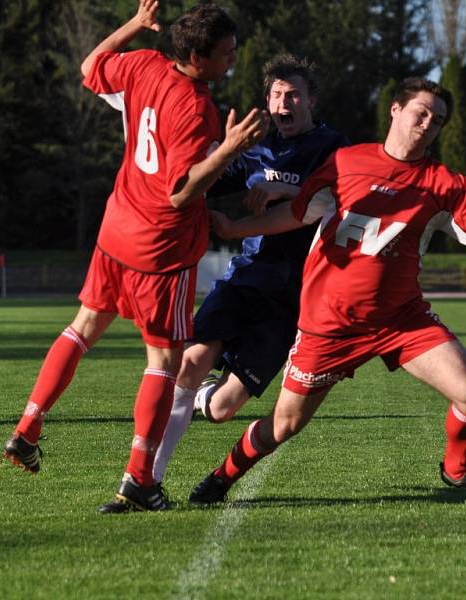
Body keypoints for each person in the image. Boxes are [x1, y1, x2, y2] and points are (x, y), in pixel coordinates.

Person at [189, 77, 466, 506]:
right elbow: (297, 213)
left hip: (400, 319)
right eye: (422, 113)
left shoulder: (443, 183)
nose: (428, 124)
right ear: (395, 110)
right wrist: (234, 228)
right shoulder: (345, 162)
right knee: (283, 425)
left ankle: (457, 470)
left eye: (438, 121)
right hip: (329, 323)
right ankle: (221, 477)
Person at [1, 0, 270, 513]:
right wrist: (229, 148)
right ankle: (140, 479)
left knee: (82, 329)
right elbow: (181, 191)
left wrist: (133, 26)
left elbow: (89, 67)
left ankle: (28, 426)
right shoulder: (195, 107)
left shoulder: (143, 62)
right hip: (160, 249)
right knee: (164, 361)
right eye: (226, 53)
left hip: (115, 231)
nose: (232, 61)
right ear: (197, 55)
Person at [151, 54, 349, 486]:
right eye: (277, 94)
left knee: (222, 410)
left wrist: (282, 187)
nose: (285, 102)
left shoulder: (332, 148)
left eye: (293, 94)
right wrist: (221, 152)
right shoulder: (255, 148)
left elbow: (339, 197)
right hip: (245, 279)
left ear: (311, 100)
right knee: (190, 362)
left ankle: (202, 400)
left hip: (292, 301)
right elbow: (194, 185)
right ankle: (149, 477)